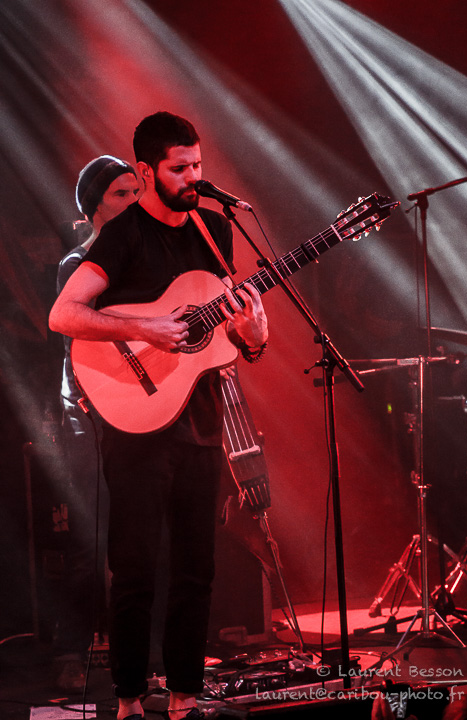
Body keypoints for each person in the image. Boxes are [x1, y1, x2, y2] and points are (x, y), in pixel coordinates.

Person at [49, 111, 268, 720]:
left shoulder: (214, 229)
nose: (193, 177)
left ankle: (183, 699)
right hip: (135, 426)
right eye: (179, 168)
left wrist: (253, 336)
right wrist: (146, 328)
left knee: (197, 569)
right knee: (136, 569)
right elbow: (64, 314)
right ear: (147, 172)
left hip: (200, 419)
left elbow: (226, 333)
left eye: (198, 164)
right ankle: (127, 701)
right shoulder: (123, 236)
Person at [54, 156, 141, 690]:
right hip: (89, 413)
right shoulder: (76, 264)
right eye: (120, 194)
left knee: (140, 535)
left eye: (137, 192)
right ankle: (74, 648)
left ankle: (146, 655)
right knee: (90, 535)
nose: (133, 202)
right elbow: (79, 344)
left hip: (138, 409)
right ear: (94, 206)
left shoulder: (147, 256)